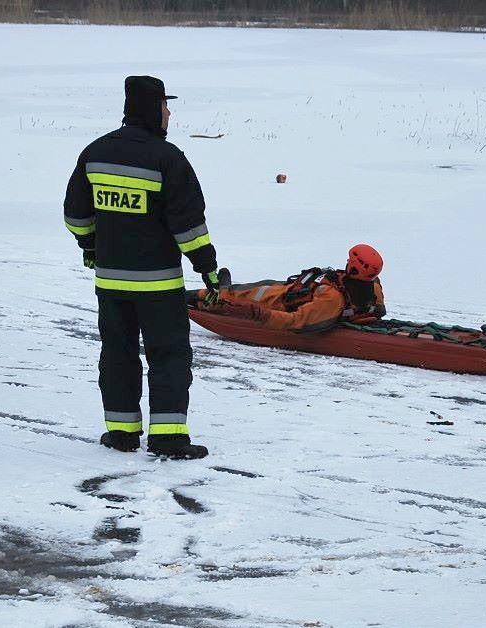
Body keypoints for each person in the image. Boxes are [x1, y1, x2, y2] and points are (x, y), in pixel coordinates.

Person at [63, 75, 222, 459]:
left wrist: (90, 245)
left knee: (117, 355)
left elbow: (75, 215)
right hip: (158, 286)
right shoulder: (168, 159)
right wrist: (208, 268)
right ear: (152, 109)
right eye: (165, 107)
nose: (169, 114)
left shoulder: (95, 153)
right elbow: (189, 226)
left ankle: (121, 434)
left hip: (111, 284)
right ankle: (168, 438)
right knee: (168, 355)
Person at [193, 244, 386, 333]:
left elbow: (295, 321)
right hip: (293, 288)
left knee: (239, 295)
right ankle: (226, 288)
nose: (346, 262)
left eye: (350, 261)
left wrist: (259, 314)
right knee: (264, 283)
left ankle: (203, 296)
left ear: (354, 268)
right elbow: (377, 310)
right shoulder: (375, 288)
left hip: (281, 300)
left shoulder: (331, 298)